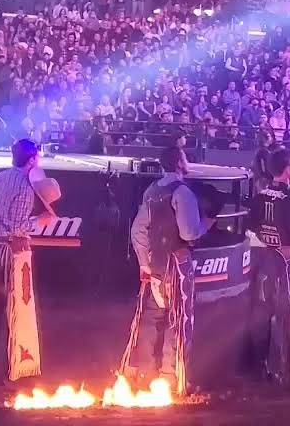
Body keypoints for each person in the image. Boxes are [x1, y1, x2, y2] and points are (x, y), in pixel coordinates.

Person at [120, 146, 212, 395]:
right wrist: (206, 224)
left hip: (157, 265)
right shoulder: (182, 193)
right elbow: (189, 233)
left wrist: (144, 264)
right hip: (178, 264)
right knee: (178, 319)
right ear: (180, 163)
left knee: (152, 317)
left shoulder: (152, 191)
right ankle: (171, 377)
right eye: (185, 156)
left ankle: (144, 371)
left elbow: (138, 230)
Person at [0, 139, 57, 385]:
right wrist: (40, 221)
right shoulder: (24, 187)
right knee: (16, 305)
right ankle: (11, 359)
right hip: (13, 251)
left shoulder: (1, 177)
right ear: (32, 160)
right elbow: (17, 225)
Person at [244, 147, 290, 385]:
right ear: (286, 171)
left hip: (266, 259)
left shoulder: (260, 196)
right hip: (287, 262)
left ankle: (262, 365)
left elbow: (251, 224)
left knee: (264, 312)